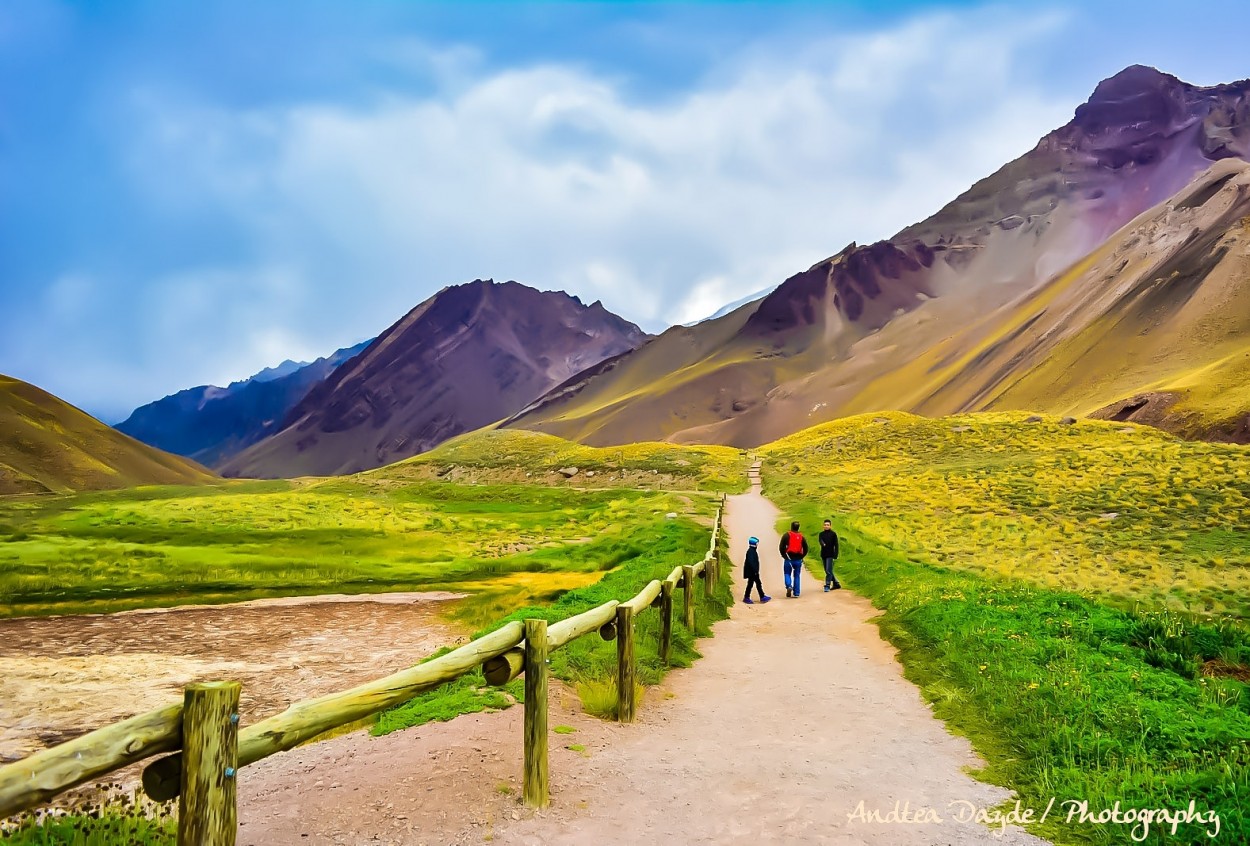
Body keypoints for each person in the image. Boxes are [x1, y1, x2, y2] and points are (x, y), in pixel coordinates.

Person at [779, 521, 808, 597]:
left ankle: (789, 586)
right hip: (798, 559)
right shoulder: (802, 537)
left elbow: (781, 547)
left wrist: (784, 555)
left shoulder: (786, 535)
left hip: (788, 558)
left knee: (787, 573)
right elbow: (806, 548)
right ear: (798, 527)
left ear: (791, 527)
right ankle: (796, 593)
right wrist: (802, 556)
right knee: (797, 575)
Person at [742, 537, 771, 604]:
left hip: (752, 571)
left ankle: (760, 596)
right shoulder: (751, 552)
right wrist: (755, 571)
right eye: (757, 543)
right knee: (755, 584)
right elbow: (751, 562)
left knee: (754, 584)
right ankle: (750, 597)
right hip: (752, 572)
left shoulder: (752, 551)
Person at [819, 518, 842, 591]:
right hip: (823, 554)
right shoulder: (821, 534)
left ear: (830, 526)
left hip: (830, 554)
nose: (826, 526)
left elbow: (836, 545)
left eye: (827, 525)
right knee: (827, 570)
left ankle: (827, 585)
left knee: (828, 571)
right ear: (823, 526)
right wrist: (823, 544)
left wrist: (836, 554)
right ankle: (836, 583)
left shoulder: (833, 534)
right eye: (825, 525)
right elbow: (820, 540)